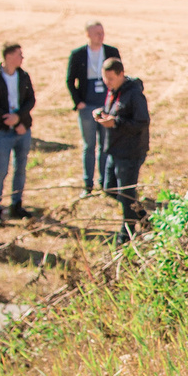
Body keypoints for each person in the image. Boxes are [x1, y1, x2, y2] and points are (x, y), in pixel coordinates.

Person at [65, 19, 123, 198]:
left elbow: (120, 77)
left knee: (106, 145)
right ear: (87, 34)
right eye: (97, 32)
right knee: (89, 145)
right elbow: (69, 80)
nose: (101, 35)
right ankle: (87, 184)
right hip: (87, 104)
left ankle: (105, 183)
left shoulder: (111, 52)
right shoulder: (78, 54)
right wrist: (78, 102)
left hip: (106, 104)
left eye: (102, 32)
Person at [96, 57, 150, 243]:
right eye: (105, 78)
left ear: (121, 74)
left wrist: (115, 123)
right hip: (114, 150)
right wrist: (103, 114)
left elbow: (142, 122)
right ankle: (142, 216)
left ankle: (126, 234)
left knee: (126, 194)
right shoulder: (115, 91)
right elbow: (116, 112)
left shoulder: (134, 94)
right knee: (109, 188)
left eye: (110, 79)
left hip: (130, 152)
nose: (107, 83)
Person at [0, 41, 34, 225]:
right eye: (19, 54)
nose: (22, 57)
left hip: (22, 129)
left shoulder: (24, 76)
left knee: (20, 168)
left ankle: (16, 204)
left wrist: (19, 119)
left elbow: (30, 100)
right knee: (1, 171)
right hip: (2, 131)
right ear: (8, 56)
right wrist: (9, 120)